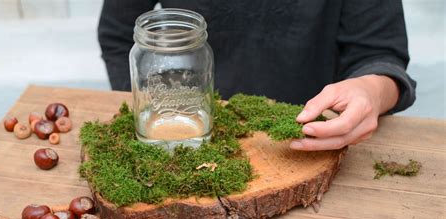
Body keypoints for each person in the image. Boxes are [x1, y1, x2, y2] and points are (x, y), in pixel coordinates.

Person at [98, 0, 416, 151]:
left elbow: (380, 56)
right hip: (190, 142)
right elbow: (118, 33)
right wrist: (152, 110)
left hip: (305, 145)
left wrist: (370, 91)